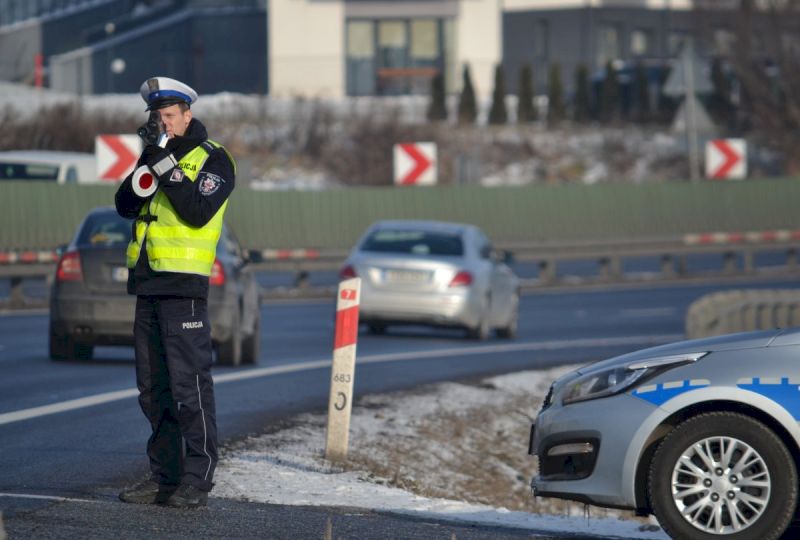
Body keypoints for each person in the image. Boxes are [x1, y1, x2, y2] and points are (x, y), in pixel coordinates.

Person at [115, 76, 236, 508]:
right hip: (147, 283)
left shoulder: (214, 159)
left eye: (168, 116)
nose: (162, 124)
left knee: (190, 386)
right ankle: (163, 476)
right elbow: (125, 205)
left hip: (184, 285)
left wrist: (164, 163)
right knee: (153, 389)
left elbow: (197, 211)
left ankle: (196, 479)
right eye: (156, 117)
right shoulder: (155, 154)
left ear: (188, 114)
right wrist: (149, 159)